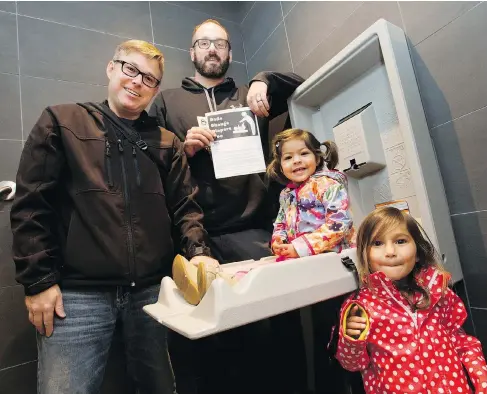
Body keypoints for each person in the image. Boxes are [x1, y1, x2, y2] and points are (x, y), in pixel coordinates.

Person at [10, 39, 218, 394]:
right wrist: (38, 282)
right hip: (76, 297)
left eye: (149, 79)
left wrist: (199, 254)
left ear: (155, 90)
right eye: (131, 69)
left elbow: (186, 207)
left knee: (160, 387)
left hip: (154, 292)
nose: (137, 82)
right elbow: (31, 204)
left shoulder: (167, 142)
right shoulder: (62, 121)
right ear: (112, 68)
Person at [149, 18, 307, 394]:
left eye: (219, 43)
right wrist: (181, 150)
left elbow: (303, 86)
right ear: (192, 52)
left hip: (256, 232)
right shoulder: (168, 101)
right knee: (215, 345)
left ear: (229, 53)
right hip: (198, 238)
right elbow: (149, 162)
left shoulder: (251, 96)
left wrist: (264, 79)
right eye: (203, 43)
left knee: (274, 336)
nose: (212, 49)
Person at [174, 128, 355, 299]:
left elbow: (339, 224)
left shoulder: (328, 185)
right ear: (280, 165)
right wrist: (278, 241)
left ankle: (214, 285)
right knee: (257, 271)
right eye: (288, 157)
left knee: (270, 279)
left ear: (317, 157)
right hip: (302, 257)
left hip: (331, 258)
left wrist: (301, 247)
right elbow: (281, 223)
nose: (297, 160)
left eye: (304, 154)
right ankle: (211, 285)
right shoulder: (287, 193)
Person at [335, 206, 487, 393]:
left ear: (418, 251)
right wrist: (351, 339)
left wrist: (482, 383)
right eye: (377, 243)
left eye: (400, 241)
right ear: (364, 254)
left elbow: (462, 342)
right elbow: (353, 364)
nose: (390, 252)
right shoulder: (360, 306)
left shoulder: (438, 292)